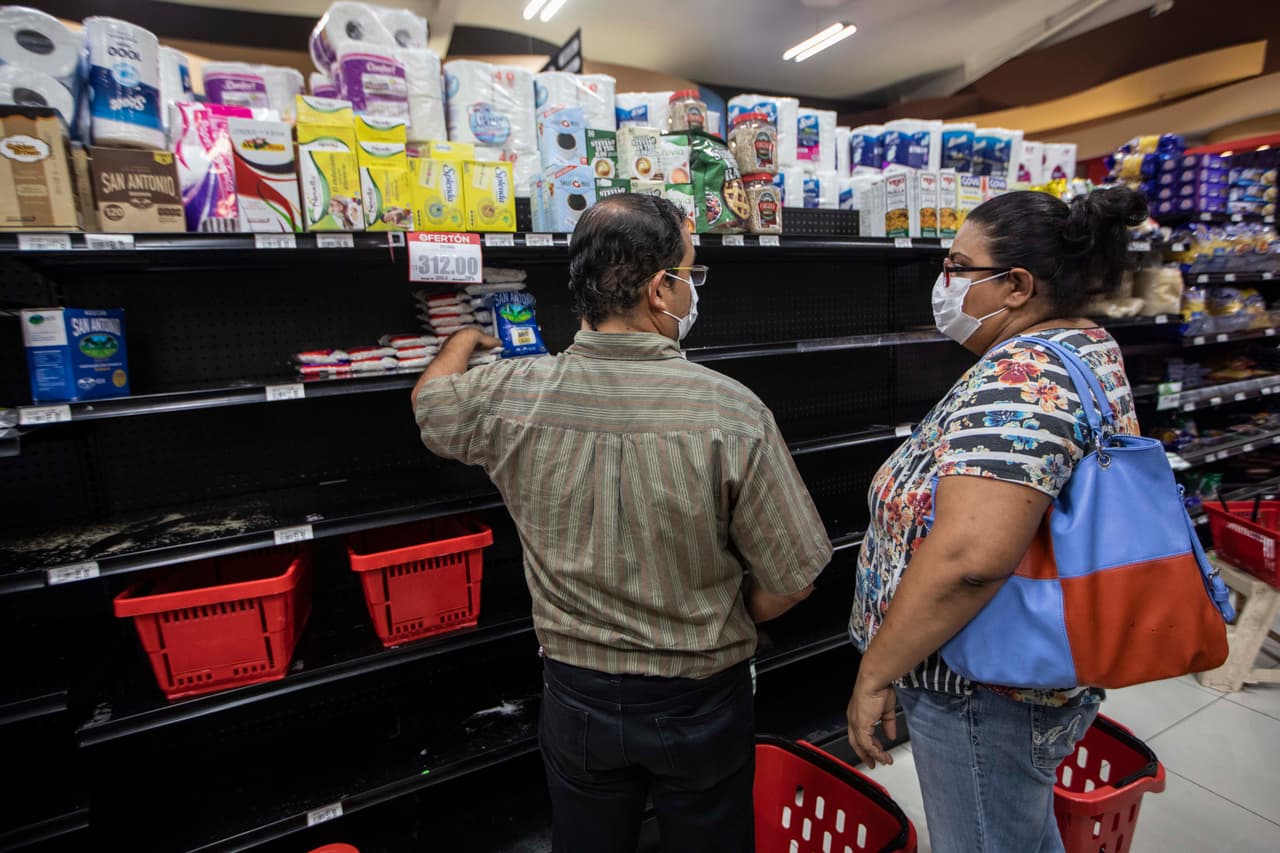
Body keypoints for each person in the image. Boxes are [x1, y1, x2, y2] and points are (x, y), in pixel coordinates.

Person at [413, 194, 832, 853]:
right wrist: (726, 615)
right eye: (691, 274)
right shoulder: (731, 411)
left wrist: (465, 337)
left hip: (575, 696)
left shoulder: (508, 394)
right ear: (662, 290)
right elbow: (796, 575)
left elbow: (431, 405)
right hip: (700, 698)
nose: (694, 290)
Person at [845, 187, 1148, 853]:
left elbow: (968, 561)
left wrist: (876, 672)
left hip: (982, 687)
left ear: (1015, 285)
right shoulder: (1084, 344)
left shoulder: (1023, 375)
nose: (944, 283)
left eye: (957, 266)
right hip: (1032, 668)